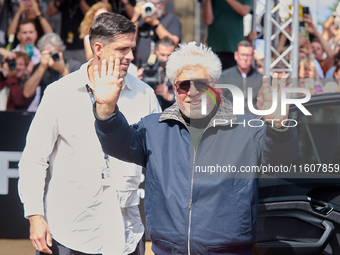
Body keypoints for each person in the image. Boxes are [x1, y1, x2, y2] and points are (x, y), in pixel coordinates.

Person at [92, 42, 300, 254]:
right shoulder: (154, 128)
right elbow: (116, 144)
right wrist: (106, 111)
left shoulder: (246, 129)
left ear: (215, 86)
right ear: (174, 88)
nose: (192, 92)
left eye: (200, 84)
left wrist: (278, 126)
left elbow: (283, 160)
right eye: (183, 85)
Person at [18, 12, 161, 255]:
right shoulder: (59, 92)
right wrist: (35, 215)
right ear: (98, 49)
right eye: (122, 49)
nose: (131, 56)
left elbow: (158, 160)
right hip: (69, 230)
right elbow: (34, 158)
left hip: (126, 232)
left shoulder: (144, 94)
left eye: (132, 48)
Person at [23, 33, 82, 111]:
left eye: (53, 53)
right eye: (48, 54)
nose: (51, 57)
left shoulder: (73, 65)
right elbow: (27, 93)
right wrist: (41, 68)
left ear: (60, 51)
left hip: (68, 109)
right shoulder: (40, 67)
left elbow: (77, 93)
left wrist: (63, 70)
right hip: (46, 110)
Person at [203, 0, 253, 70]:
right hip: (214, 46)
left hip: (234, 47)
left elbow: (244, 11)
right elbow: (208, 20)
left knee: (233, 78)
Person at [131, 0, 182, 67]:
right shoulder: (139, 19)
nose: (153, 6)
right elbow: (129, 41)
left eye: (156, 3)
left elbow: (173, 43)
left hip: (163, 67)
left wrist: (155, 23)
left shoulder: (172, 18)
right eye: (149, 3)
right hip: (139, 68)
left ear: (163, 4)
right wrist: (135, 18)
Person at [220, 40, 263, 115]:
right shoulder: (225, 76)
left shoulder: (259, 78)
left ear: (253, 57)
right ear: (236, 55)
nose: (245, 59)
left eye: (248, 55)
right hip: (232, 121)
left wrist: (262, 62)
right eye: (242, 55)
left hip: (254, 121)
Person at [138, 36, 176, 110]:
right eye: (162, 55)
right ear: (156, 50)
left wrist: (170, 96)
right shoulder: (148, 68)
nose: (165, 59)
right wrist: (136, 82)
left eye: (169, 55)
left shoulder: (178, 71)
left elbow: (188, 99)